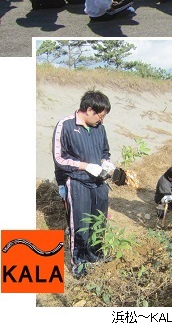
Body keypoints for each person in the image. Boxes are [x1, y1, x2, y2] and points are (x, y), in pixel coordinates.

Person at [52, 90, 114, 278]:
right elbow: (59, 158)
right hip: (77, 182)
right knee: (80, 224)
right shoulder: (66, 126)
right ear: (89, 110)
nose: (102, 121)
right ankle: (78, 261)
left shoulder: (99, 128)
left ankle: (95, 255)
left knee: (99, 220)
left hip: (99, 182)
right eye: (100, 116)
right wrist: (85, 166)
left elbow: (105, 151)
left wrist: (105, 162)